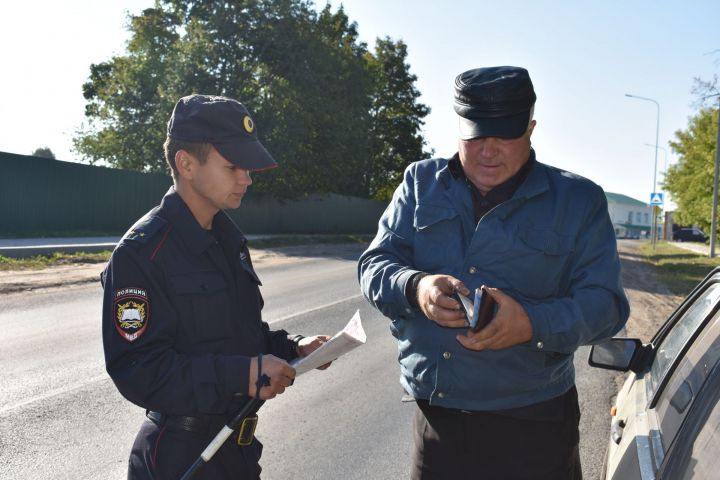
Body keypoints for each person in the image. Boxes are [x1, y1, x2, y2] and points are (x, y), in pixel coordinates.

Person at [358, 66, 629, 480]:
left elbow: (606, 306)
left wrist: (530, 324)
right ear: (459, 128)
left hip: (534, 427)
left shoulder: (578, 201)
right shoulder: (419, 183)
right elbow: (375, 265)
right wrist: (417, 287)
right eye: (477, 135)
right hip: (438, 424)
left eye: (504, 134)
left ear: (531, 128)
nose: (488, 150)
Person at [101, 94, 330, 479]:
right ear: (186, 164)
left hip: (234, 453)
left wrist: (293, 349)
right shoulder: (142, 253)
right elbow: (139, 369)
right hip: (180, 459)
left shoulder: (228, 241)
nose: (247, 177)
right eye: (233, 166)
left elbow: (238, 337)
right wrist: (243, 374)